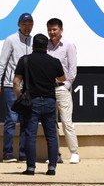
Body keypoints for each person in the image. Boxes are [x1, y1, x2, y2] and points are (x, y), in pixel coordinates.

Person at [13, 33, 65, 176]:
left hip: (32, 102)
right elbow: (62, 78)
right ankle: (52, 167)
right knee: (51, 136)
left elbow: (16, 82)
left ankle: (30, 168)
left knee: (30, 135)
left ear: (33, 46)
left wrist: (20, 98)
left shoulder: (25, 60)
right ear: (46, 46)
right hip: (49, 101)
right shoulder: (54, 61)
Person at [0, 13, 33, 163]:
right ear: (18, 24)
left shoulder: (34, 41)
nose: (27, 26)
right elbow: (2, 62)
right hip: (11, 85)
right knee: (11, 119)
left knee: (26, 120)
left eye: (29, 23)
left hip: (28, 88)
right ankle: (7, 153)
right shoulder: (11, 40)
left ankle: (23, 153)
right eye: (24, 23)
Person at [47, 18, 80, 164]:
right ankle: (55, 154)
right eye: (49, 29)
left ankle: (74, 152)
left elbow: (72, 70)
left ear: (61, 30)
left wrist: (65, 85)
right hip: (47, 90)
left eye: (54, 29)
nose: (52, 32)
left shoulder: (69, 45)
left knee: (67, 122)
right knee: (51, 123)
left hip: (62, 89)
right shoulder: (45, 46)